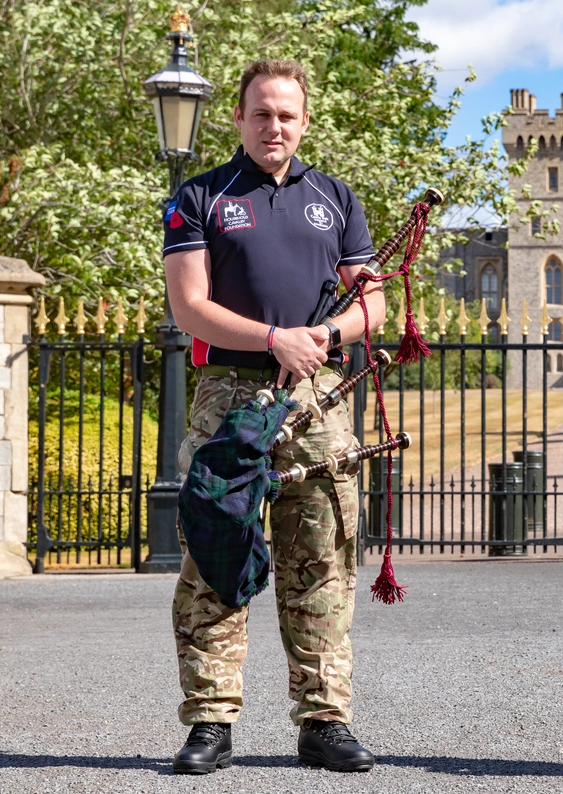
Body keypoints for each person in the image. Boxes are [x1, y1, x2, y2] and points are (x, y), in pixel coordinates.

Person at [161, 59, 386, 774]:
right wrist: (270, 337)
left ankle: (324, 720)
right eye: (261, 113)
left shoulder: (336, 197)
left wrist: (330, 335)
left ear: (305, 121)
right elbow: (189, 306)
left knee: (323, 557)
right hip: (229, 400)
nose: (274, 126)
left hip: (319, 398)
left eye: (286, 114)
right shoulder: (200, 196)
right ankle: (210, 722)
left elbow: (372, 302)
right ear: (239, 118)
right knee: (216, 555)